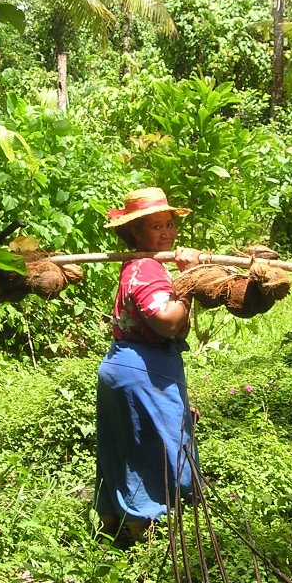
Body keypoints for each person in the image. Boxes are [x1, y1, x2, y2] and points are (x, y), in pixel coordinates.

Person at [94, 187, 202, 543]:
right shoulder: (148, 268)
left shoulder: (139, 265)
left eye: (169, 224)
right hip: (143, 371)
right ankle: (146, 538)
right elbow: (167, 322)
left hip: (126, 366)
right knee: (156, 449)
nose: (167, 232)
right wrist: (188, 282)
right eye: (156, 227)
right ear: (136, 233)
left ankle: (111, 532)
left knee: (124, 447)